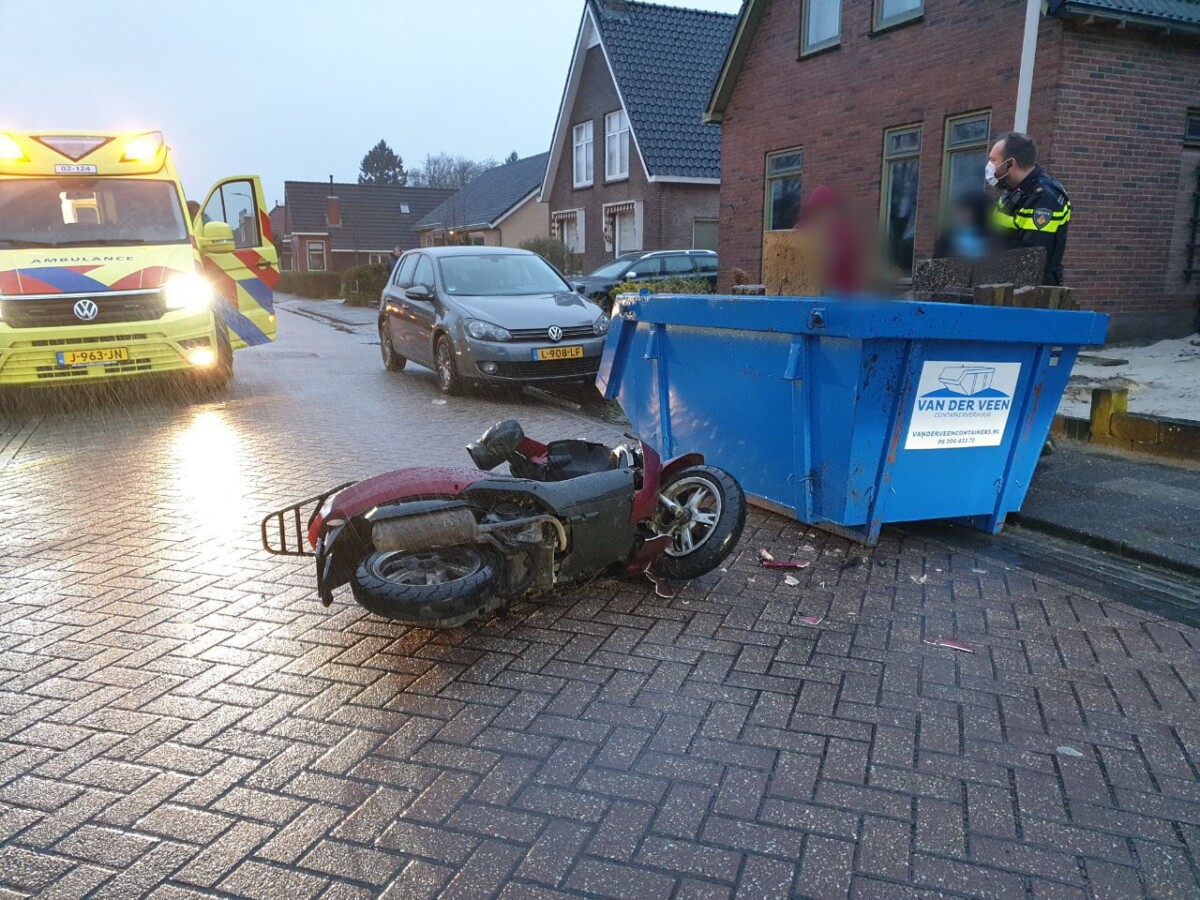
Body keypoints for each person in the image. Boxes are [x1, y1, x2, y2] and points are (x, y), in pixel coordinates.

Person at [987, 132, 1071, 285]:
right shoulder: (1013, 192)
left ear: (1010, 164)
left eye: (993, 160)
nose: (989, 166)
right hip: (1002, 283)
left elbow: (1031, 257)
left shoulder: (1044, 198)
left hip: (1030, 292)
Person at [933, 190, 992, 261]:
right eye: (958, 212)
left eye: (964, 211)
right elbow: (938, 259)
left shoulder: (991, 234)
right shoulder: (948, 236)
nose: (959, 216)